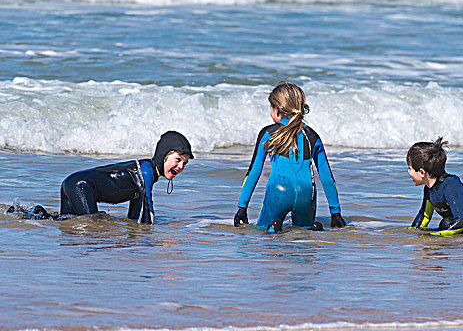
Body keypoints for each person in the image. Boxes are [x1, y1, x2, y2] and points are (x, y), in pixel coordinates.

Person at [234, 82, 346, 233]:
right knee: (303, 233)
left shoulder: (268, 134)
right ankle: (313, 229)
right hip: (306, 193)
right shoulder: (312, 136)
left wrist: (242, 207)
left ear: (277, 110)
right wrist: (335, 212)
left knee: (262, 230)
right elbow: (326, 177)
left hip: (278, 191)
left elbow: (253, 172)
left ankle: (274, 229)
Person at [12, 131, 193, 223]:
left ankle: (29, 214)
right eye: (177, 160)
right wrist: (151, 239)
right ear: (163, 156)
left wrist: (134, 230)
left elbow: (136, 213)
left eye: (184, 163)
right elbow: (146, 210)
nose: (180, 167)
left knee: (66, 222)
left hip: (73, 182)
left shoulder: (145, 171)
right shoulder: (145, 172)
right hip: (81, 186)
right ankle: (31, 214)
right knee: (92, 224)